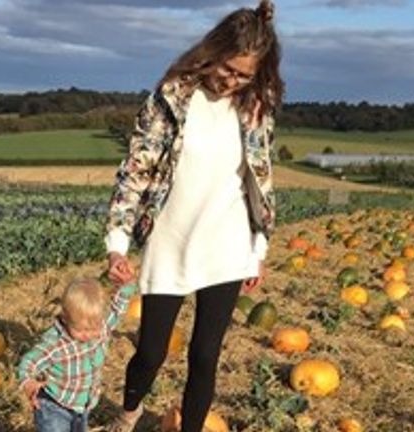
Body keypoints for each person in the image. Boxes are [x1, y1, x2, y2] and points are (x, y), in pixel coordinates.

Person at [103, 1, 284, 430]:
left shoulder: (255, 108)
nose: (232, 80)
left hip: (226, 241)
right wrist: (117, 243)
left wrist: (258, 247)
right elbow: (136, 170)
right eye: (228, 69)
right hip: (171, 239)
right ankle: (127, 420)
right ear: (213, 51)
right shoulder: (171, 98)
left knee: (205, 355)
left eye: (244, 75)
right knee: (151, 351)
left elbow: (260, 178)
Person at [17, 269, 136, 432]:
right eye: (80, 330)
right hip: (54, 406)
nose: (87, 335)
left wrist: (127, 286)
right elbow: (28, 363)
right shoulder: (56, 344)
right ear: (65, 318)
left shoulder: (101, 328)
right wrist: (28, 382)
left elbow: (117, 310)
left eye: (92, 328)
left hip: (82, 407)